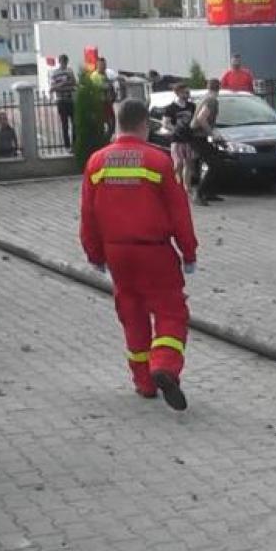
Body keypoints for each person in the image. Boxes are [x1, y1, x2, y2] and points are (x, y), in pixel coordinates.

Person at [80, 99, 198, 412]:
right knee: (171, 313)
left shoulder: (96, 163)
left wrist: (94, 254)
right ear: (144, 124)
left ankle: (144, 383)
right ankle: (164, 366)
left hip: (116, 252)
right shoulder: (157, 161)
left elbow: (88, 216)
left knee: (132, 315)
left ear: (117, 123)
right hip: (154, 252)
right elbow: (179, 212)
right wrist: (189, 251)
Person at [188, 79, 223, 206]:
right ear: (220, 87)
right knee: (215, 164)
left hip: (197, 136)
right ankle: (198, 194)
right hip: (197, 137)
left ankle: (208, 193)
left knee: (217, 161)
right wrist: (212, 133)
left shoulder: (205, 98)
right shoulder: (212, 101)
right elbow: (201, 118)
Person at [162, 82, 197, 193]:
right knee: (178, 163)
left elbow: (195, 120)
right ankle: (175, 183)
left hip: (189, 139)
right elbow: (165, 123)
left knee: (189, 163)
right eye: (185, 92)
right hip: (177, 140)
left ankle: (187, 187)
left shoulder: (192, 106)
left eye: (188, 92)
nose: (187, 94)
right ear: (178, 93)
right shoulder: (170, 108)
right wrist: (175, 129)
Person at [49, 54, 77, 149]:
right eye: (62, 61)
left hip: (70, 100)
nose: (64, 63)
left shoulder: (70, 71)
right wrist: (64, 83)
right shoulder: (55, 73)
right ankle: (67, 145)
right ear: (59, 62)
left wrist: (61, 85)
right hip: (61, 101)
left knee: (74, 123)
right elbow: (52, 88)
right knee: (65, 124)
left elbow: (74, 83)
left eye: (65, 61)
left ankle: (74, 143)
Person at [90, 57, 117, 137]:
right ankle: (102, 137)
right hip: (100, 103)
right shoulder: (94, 76)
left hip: (108, 102)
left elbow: (110, 87)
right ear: (97, 65)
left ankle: (109, 135)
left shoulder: (105, 75)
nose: (104, 67)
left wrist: (113, 95)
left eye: (105, 65)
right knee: (102, 122)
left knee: (112, 121)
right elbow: (95, 88)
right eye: (102, 65)